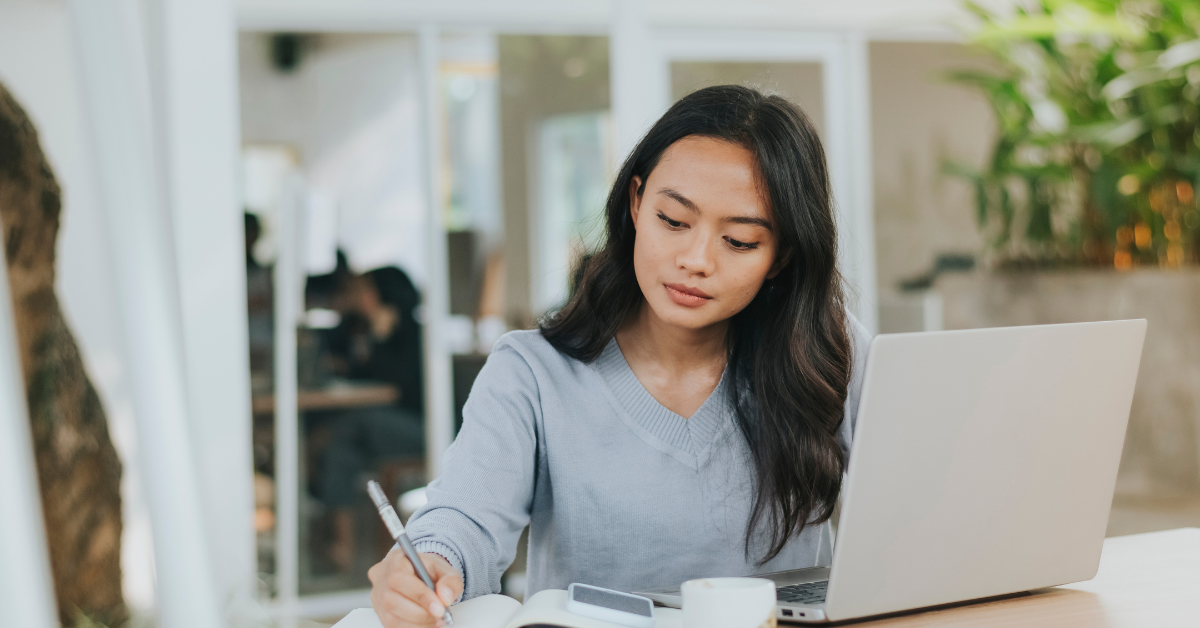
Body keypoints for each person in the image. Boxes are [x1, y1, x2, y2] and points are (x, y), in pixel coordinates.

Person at [368, 85, 871, 628]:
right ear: (636, 203)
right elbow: (466, 516)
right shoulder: (533, 373)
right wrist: (431, 561)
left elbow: (919, 504)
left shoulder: (827, 350)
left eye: (741, 241)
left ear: (781, 256)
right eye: (674, 221)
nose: (695, 260)